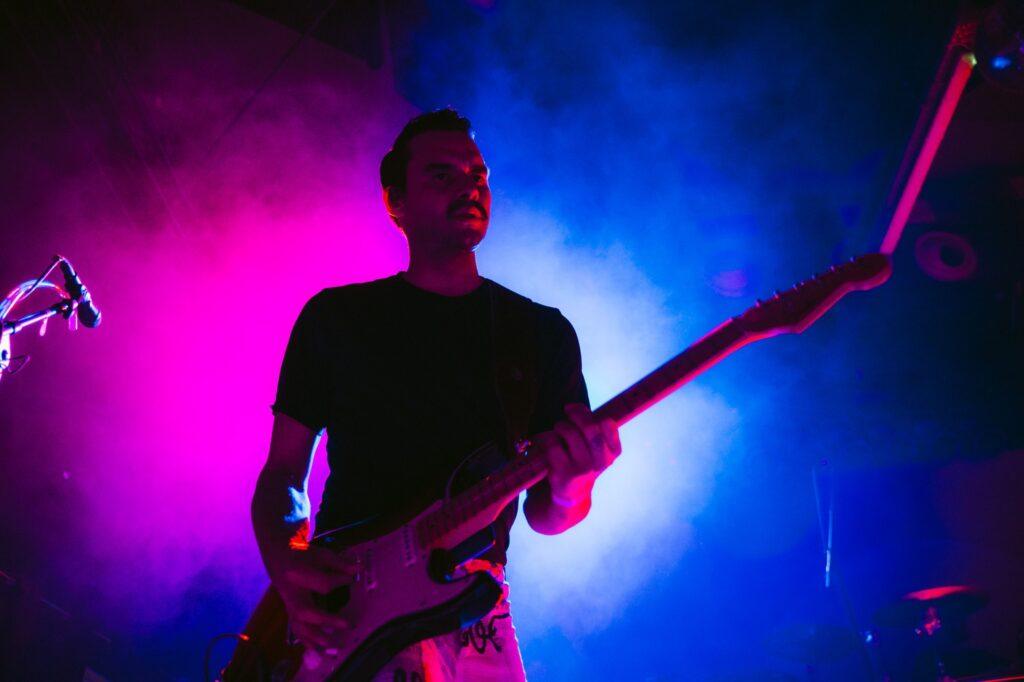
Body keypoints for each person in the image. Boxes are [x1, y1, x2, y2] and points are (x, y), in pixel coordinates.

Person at [251, 108, 622, 680]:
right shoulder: (336, 317)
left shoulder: (540, 333)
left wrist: (578, 484)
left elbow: (547, 515)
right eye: (442, 174)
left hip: (472, 609)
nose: (470, 187)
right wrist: (288, 560)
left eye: (479, 175)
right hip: (350, 601)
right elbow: (282, 474)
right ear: (395, 201)